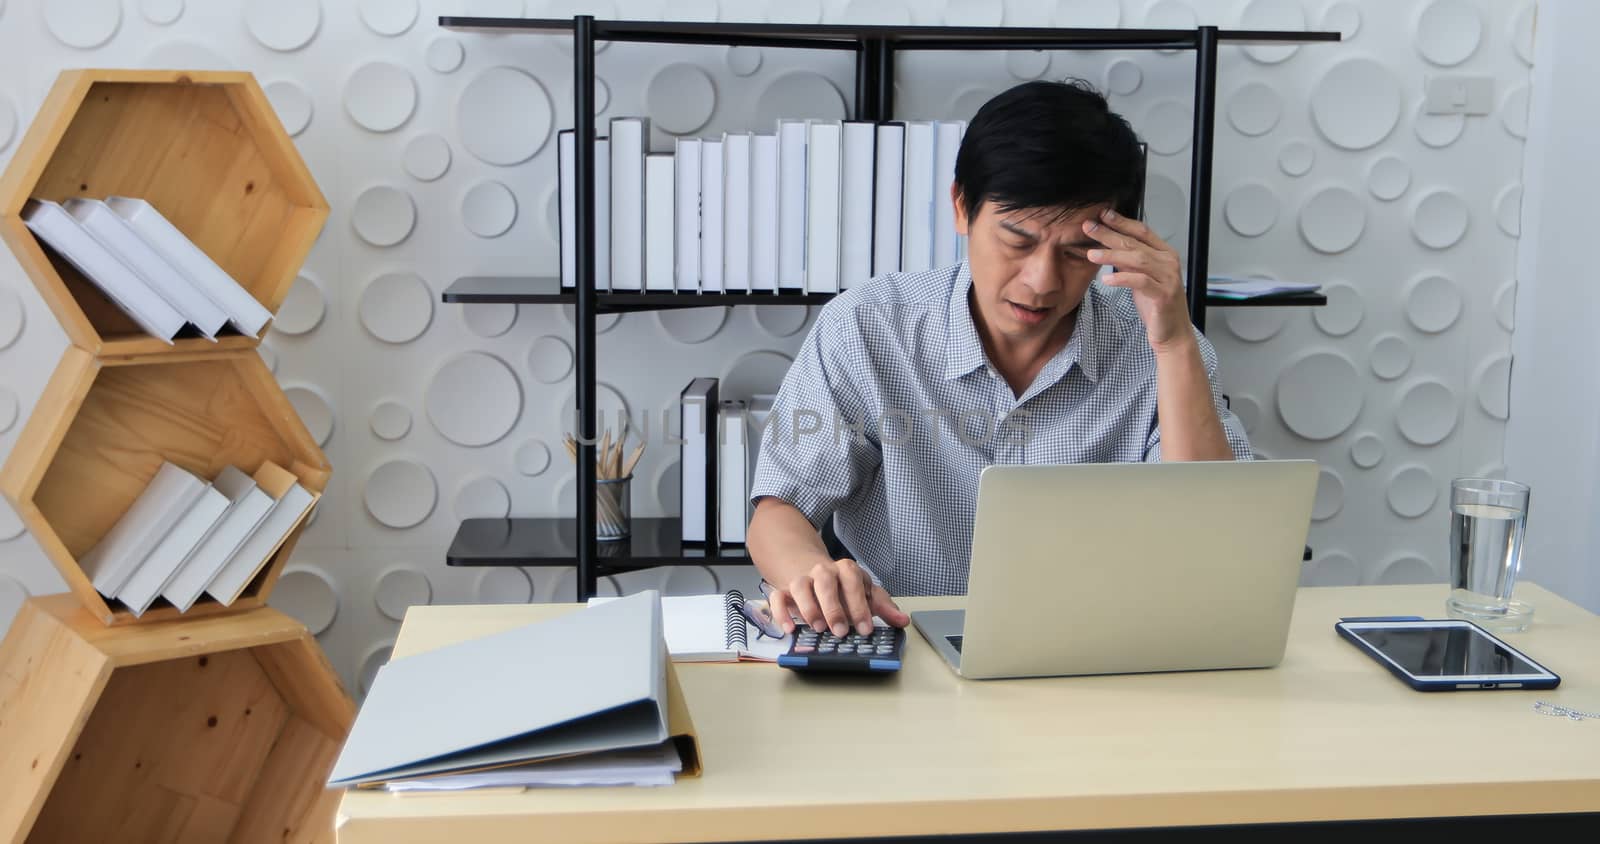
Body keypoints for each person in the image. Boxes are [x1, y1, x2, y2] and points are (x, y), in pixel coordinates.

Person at [747, 79, 1252, 639]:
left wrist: (1175, 342)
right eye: (1017, 241)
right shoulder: (869, 325)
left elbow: (1208, 540)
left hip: (1100, 653)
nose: (1042, 282)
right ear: (962, 206)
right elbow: (779, 512)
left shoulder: (1161, 348)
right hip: (906, 648)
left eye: (1077, 251)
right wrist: (813, 575)